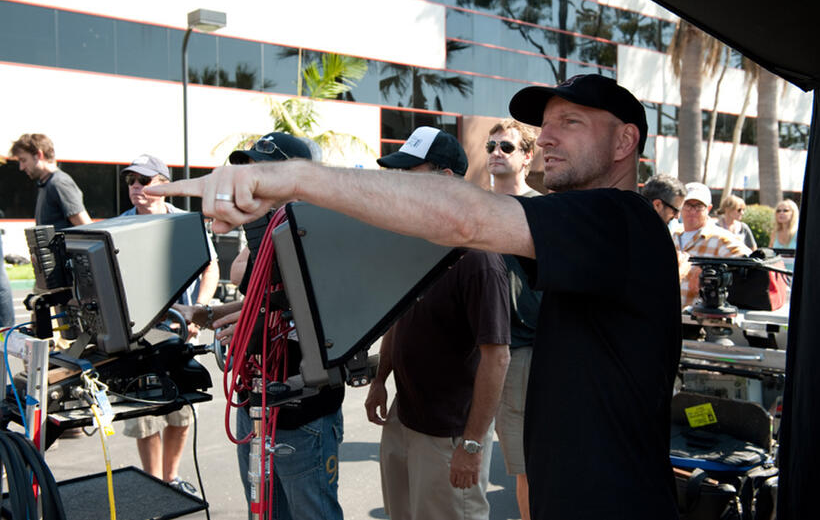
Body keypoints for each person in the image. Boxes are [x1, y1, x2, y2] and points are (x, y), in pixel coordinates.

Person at [147, 73, 683, 520]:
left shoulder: (622, 220)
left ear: (623, 142)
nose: (545, 138)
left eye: (570, 122)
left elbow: (466, 219)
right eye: (546, 125)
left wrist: (294, 179)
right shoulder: (588, 233)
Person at [180, 133, 345, 520]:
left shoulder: (321, 235)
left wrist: (262, 322)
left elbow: (327, 314)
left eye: (263, 173)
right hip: (255, 405)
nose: (251, 183)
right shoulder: (265, 234)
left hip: (303, 414)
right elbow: (261, 297)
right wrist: (204, 314)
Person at [363, 126, 510, 520]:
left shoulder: (478, 258)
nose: (400, 183)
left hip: (450, 433)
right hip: (404, 417)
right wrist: (380, 380)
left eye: (409, 173)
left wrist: (472, 444)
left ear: (445, 179)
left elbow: (497, 358)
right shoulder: (414, 243)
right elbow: (399, 317)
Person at [119, 154, 219, 493]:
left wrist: (199, 310)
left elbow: (210, 266)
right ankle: (153, 485)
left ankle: (170, 479)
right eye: (131, 181)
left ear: (165, 185)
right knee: (144, 417)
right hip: (137, 336)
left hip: (181, 333)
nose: (136, 187)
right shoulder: (119, 226)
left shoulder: (185, 223)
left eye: (144, 181)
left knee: (180, 411)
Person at [485, 118, 541, 520]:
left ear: (527, 156)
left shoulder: (543, 209)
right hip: (475, 346)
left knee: (526, 465)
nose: (496, 153)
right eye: (491, 146)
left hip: (521, 348)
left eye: (506, 147)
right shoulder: (475, 206)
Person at [673, 182, 751, 308]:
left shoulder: (720, 238)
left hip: (700, 316)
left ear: (708, 209)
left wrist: (708, 272)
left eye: (699, 206)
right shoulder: (673, 236)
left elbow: (751, 263)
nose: (692, 211)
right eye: (688, 205)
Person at [10, 134, 92, 230]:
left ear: (39, 155)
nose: (21, 167)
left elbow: (87, 228)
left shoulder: (59, 183)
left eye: (23, 160)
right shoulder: (45, 184)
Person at [770, 198, 799, 271]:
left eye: (785, 210)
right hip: (778, 273)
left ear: (793, 213)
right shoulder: (774, 233)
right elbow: (769, 255)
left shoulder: (797, 233)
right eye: (778, 211)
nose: (781, 213)